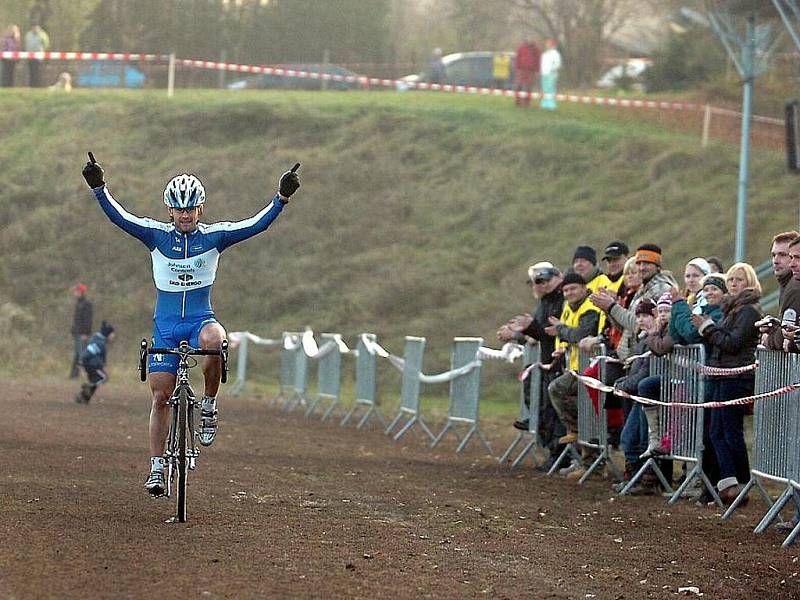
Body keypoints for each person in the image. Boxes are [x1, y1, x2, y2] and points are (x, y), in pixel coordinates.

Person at [81, 152, 301, 497]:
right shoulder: (155, 235)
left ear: (201, 208)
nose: (185, 215)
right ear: (170, 210)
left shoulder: (215, 237)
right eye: (179, 209)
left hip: (200, 321)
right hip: (166, 328)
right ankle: (156, 467)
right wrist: (99, 188)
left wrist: (281, 198)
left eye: (191, 208)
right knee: (160, 397)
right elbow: (120, 217)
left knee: (217, 339)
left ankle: (210, 405)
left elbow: (256, 224)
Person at [693, 262, 762, 505]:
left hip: (737, 377)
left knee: (730, 432)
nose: (733, 284)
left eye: (739, 280)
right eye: (731, 279)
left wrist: (707, 328)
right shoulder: (732, 309)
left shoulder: (749, 311)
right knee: (717, 432)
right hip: (723, 375)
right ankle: (729, 482)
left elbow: (732, 343)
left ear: (750, 283)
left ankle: (740, 484)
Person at [497, 262, 565, 468]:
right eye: (535, 282)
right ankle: (553, 451)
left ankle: (560, 455)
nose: (539, 285)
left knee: (555, 410)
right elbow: (538, 334)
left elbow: (544, 333)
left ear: (557, 277)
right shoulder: (544, 302)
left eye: (543, 280)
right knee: (545, 406)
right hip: (545, 361)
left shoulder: (560, 300)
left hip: (556, 360)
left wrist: (522, 332)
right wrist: (523, 333)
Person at [546, 272, 605, 448]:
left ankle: (579, 431)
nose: (569, 293)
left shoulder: (589, 307)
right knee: (562, 393)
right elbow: (570, 334)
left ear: (584, 288)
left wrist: (561, 330)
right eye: (565, 290)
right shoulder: (569, 307)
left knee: (559, 390)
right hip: (576, 366)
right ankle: (578, 434)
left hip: (590, 366)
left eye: (573, 288)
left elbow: (580, 334)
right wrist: (562, 347)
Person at [762, 231, 800, 351]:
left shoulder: (794, 287)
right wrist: (773, 327)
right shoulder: (787, 285)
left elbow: (786, 334)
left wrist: (767, 339)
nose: (775, 260)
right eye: (773, 255)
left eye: (783, 255)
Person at [75, 321, 115, 404]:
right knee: (103, 377)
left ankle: (84, 397)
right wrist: (81, 363)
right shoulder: (99, 342)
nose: (113, 336)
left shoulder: (99, 340)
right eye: (112, 333)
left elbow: (101, 357)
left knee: (95, 380)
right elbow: (87, 353)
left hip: (92, 365)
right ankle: (86, 390)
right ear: (107, 333)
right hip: (91, 365)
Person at [69, 282, 93, 379]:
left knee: (81, 354)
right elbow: (76, 320)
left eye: (77, 291)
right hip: (77, 333)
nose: (75, 292)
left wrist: (86, 332)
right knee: (78, 354)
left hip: (82, 333)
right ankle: (74, 375)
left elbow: (87, 319)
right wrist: (73, 330)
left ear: (81, 292)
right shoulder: (78, 303)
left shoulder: (86, 304)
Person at [514, 38, 540, 108]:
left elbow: (538, 60)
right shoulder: (521, 47)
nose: (529, 41)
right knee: (518, 86)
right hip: (521, 69)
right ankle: (517, 101)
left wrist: (537, 70)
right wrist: (517, 68)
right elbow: (518, 58)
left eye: (531, 39)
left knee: (528, 87)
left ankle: (526, 103)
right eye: (528, 39)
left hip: (531, 71)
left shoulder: (536, 49)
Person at [539, 38, 562, 110]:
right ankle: (544, 104)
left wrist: (552, 69)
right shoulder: (544, 54)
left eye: (549, 44)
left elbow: (558, 64)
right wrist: (542, 71)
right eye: (547, 44)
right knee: (544, 89)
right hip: (544, 74)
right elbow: (542, 64)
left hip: (552, 74)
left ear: (552, 45)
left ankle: (551, 105)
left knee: (551, 89)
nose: (547, 45)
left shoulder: (556, 54)